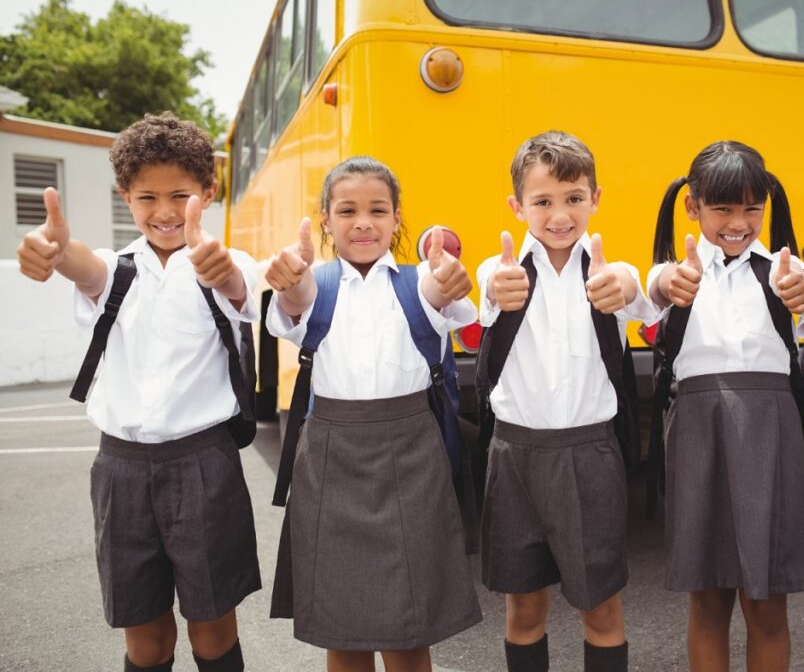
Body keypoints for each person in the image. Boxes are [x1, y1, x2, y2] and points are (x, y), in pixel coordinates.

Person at [16, 112, 261, 672]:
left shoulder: (224, 261)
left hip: (203, 463)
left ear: (209, 190)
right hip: (121, 470)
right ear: (125, 196)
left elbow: (237, 286)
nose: (166, 212)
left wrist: (219, 271)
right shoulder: (117, 269)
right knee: (145, 640)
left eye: (181, 194)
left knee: (213, 632)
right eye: (147, 197)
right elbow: (83, 266)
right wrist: (54, 250)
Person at [265, 155, 482, 672]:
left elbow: (439, 290)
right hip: (331, 459)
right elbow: (296, 301)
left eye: (377, 210)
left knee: (410, 632)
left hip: (412, 457)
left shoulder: (418, 281)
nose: (363, 221)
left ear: (397, 217)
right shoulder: (314, 282)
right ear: (325, 219)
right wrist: (288, 281)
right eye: (347, 210)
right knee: (343, 634)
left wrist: (449, 278)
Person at [477, 130, 655, 672]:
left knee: (599, 607)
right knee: (524, 605)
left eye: (574, 198)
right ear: (518, 207)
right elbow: (489, 286)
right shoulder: (500, 271)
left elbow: (632, 290)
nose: (560, 214)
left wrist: (620, 285)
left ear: (595, 199)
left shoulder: (608, 273)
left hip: (589, 455)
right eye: (543, 201)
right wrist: (497, 288)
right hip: (515, 458)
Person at [646, 140, 804, 672]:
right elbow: (650, 286)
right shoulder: (676, 275)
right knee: (708, 598)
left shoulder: (782, 272)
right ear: (692, 206)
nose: (738, 222)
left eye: (752, 208)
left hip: (772, 434)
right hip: (699, 434)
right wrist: (665, 279)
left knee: (768, 603)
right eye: (722, 208)